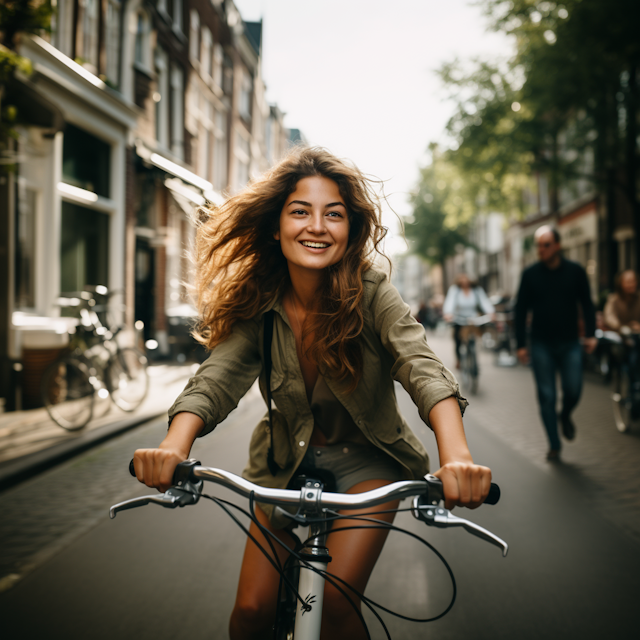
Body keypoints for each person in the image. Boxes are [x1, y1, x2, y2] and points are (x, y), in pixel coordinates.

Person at [131, 147, 492, 640]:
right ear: (276, 227)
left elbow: (420, 364)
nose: (317, 226)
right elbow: (219, 375)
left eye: (334, 214)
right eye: (300, 211)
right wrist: (174, 446)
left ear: (351, 231)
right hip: (282, 462)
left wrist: (457, 457)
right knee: (251, 613)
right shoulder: (260, 298)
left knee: (338, 607)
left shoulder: (372, 290)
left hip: (369, 463)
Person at [515, 225, 597, 461]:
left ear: (558, 246)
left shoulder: (575, 272)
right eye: (539, 245)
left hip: (570, 342)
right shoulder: (530, 275)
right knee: (547, 395)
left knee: (573, 388)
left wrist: (590, 334)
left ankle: (566, 414)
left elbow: (587, 304)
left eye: (546, 245)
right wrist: (521, 345)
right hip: (541, 344)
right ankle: (554, 445)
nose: (541, 249)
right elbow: (520, 311)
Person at [442, 273, 495, 369]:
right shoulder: (455, 290)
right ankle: (459, 360)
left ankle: (473, 355)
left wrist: (490, 312)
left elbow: (484, 301)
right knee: (458, 339)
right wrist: (448, 313)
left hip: (473, 318)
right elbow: (450, 301)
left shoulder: (476, 290)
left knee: (473, 337)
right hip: (459, 318)